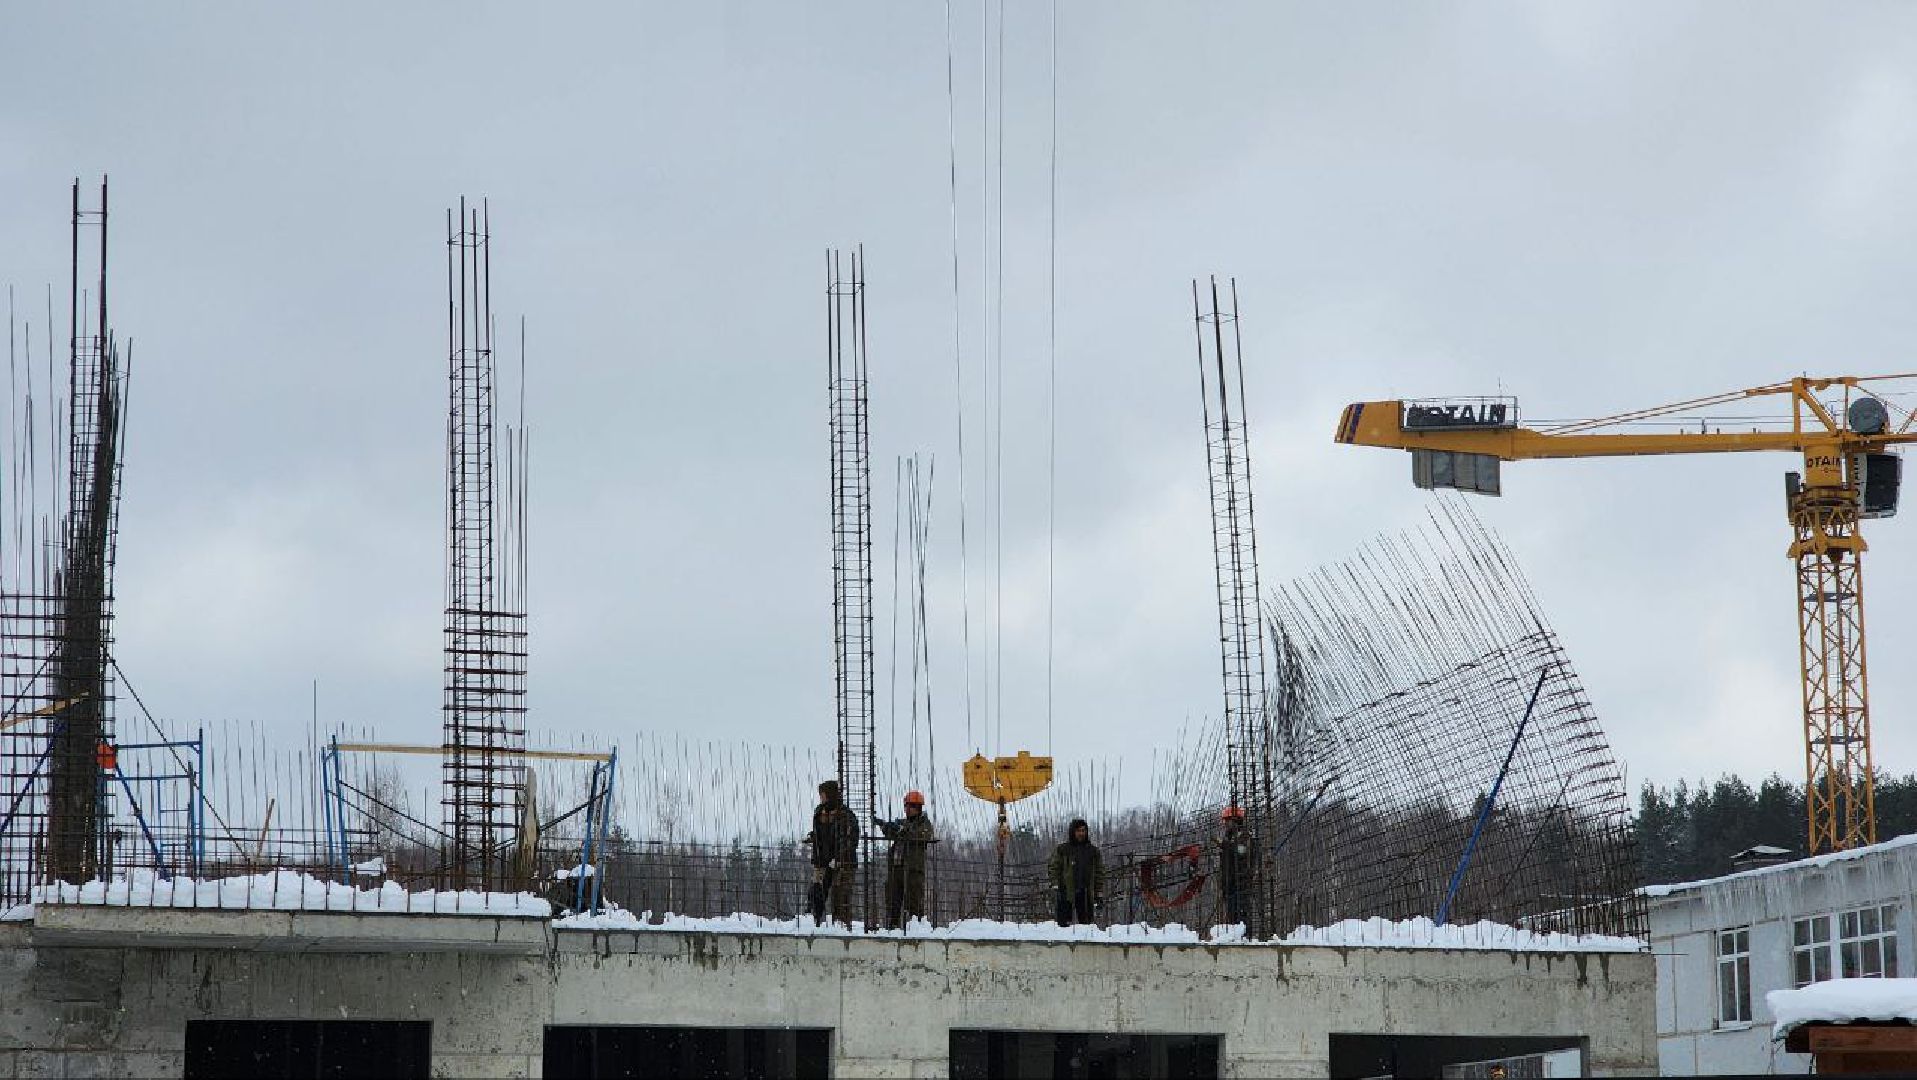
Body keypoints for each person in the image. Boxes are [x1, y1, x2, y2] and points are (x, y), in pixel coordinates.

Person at [875, 790, 935, 929]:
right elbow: (893, 833)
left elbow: (922, 835)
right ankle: (893, 926)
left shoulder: (924, 824)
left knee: (913, 901)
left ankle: (916, 928)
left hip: (912, 870)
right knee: (893, 900)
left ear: (918, 808)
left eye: (910, 806)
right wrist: (885, 826)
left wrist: (903, 830)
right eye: (906, 806)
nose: (907, 810)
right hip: (897, 868)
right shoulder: (904, 823)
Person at [805, 779, 859, 926]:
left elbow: (851, 839)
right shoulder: (819, 812)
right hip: (822, 861)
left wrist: (839, 857)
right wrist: (814, 837)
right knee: (816, 892)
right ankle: (813, 921)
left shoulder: (846, 815)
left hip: (842, 863)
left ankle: (840, 926)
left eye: (823, 795)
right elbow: (823, 833)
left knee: (840, 896)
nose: (821, 798)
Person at [1047, 818, 1102, 927]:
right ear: (1073, 832)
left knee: (1086, 925)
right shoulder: (1063, 849)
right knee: (1063, 924)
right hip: (1065, 891)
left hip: (1086, 891)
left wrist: (1098, 891)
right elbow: (1054, 867)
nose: (1081, 833)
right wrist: (1055, 884)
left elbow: (1099, 872)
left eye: (1083, 830)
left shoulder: (1092, 851)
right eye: (1078, 831)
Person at [1218, 804, 1260, 926]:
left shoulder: (1245, 836)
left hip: (1241, 883)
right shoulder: (1230, 837)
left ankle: (1243, 938)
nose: (1225, 824)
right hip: (1229, 884)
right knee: (1231, 915)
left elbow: (1241, 852)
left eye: (1227, 820)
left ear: (1235, 820)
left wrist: (1225, 846)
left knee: (1240, 915)